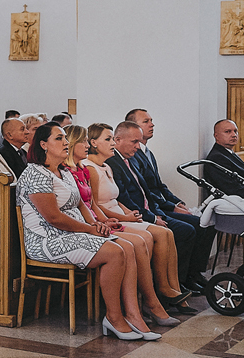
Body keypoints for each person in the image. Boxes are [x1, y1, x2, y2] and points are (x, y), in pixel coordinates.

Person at [20, 123, 159, 341]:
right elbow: (53, 218)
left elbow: (81, 204)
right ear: (43, 144)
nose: (66, 142)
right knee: (115, 253)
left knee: (128, 246)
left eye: (65, 138)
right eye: (59, 138)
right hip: (48, 240)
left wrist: (97, 224)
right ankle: (113, 317)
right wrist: (90, 229)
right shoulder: (34, 173)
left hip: (74, 233)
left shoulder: (64, 171)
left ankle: (134, 314)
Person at [63, 127, 178, 327]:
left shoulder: (83, 169)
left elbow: (93, 204)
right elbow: (82, 207)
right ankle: (142, 305)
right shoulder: (77, 170)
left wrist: (113, 218)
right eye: (84, 141)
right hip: (88, 225)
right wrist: (104, 222)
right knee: (138, 242)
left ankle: (152, 298)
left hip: (100, 220)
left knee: (152, 237)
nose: (87, 145)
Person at [83, 124, 190, 311]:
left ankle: (172, 287)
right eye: (108, 139)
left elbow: (116, 198)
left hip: (120, 214)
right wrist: (125, 217)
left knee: (166, 233)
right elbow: (95, 205)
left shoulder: (106, 166)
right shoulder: (90, 168)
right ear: (93, 143)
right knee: (152, 235)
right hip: (109, 218)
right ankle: (155, 293)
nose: (113, 143)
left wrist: (128, 213)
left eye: (112, 138)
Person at [109, 119, 211, 292]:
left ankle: (187, 277)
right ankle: (176, 282)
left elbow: (147, 191)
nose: (137, 146)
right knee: (186, 230)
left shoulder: (130, 159)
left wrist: (164, 209)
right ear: (118, 139)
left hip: (152, 210)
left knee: (200, 223)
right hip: (136, 215)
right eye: (134, 142)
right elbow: (125, 199)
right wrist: (153, 217)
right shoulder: (113, 163)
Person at [205, 119, 244, 196]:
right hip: (238, 200)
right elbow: (233, 189)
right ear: (216, 136)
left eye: (235, 131)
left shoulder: (228, 152)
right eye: (227, 132)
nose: (234, 135)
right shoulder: (217, 158)